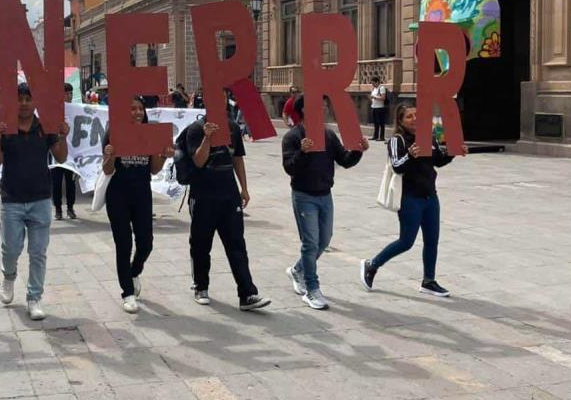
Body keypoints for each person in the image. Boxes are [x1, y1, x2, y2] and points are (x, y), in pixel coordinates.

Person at [360, 104, 461, 298]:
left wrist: (453, 151)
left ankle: (429, 281)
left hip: (430, 196)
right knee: (406, 241)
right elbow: (397, 166)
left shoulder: (427, 137)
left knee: (432, 240)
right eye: (408, 116)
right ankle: (372, 265)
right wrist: (411, 155)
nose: (414, 119)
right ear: (400, 121)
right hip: (410, 198)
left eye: (416, 114)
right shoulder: (397, 140)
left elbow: (438, 160)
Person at [0, 83, 70, 321]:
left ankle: (34, 297)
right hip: (12, 200)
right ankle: (9, 276)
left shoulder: (45, 126)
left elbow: (61, 156)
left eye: (28, 99)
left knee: (38, 253)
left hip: (41, 199)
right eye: (19, 99)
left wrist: (64, 137)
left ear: (35, 102)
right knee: (11, 249)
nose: (23, 103)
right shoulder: (5, 128)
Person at [281, 96, 369, 309]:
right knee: (310, 243)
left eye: (324, 106)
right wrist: (302, 152)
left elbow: (344, 160)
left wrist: (358, 150)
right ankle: (312, 290)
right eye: (318, 106)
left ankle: (297, 270)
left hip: (325, 195)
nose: (323, 109)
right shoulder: (293, 137)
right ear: (304, 109)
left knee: (324, 240)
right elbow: (290, 168)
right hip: (304, 196)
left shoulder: (328, 135)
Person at [180, 116, 271, 311]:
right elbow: (198, 161)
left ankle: (247, 294)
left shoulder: (232, 127)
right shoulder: (196, 129)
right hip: (203, 196)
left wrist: (244, 188)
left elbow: (237, 158)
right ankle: (201, 287)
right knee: (201, 244)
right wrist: (207, 138)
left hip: (229, 196)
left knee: (237, 244)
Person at [101, 97, 174, 313]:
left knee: (146, 243)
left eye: (140, 108)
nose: (137, 112)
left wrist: (163, 155)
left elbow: (154, 169)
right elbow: (106, 170)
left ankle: (133, 272)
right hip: (118, 194)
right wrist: (111, 155)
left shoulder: (150, 133)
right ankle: (127, 293)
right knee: (123, 244)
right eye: (132, 108)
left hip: (142, 193)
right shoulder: (113, 132)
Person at [51, 83, 78, 221]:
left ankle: (70, 207)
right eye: (66, 93)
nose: (69, 96)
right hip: (57, 153)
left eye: (70, 93)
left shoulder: (77, 110)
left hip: (72, 155)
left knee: (70, 182)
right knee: (56, 183)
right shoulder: (54, 110)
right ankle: (58, 209)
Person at [369, 77, 389, 142]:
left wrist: (374, 97)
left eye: (373, 83)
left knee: (381, 123)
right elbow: (373, 99)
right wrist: (371, 98)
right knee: (375, 123)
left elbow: (383, 98)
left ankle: (382, 137)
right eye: (372, 83)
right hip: (374, 107)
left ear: (377, 82)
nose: (372, 84)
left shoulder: (381, 88)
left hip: (380, 108)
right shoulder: (374, 89)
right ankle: (375, 136)